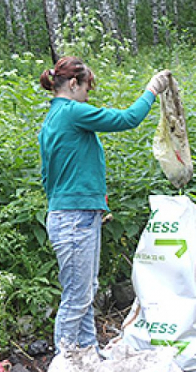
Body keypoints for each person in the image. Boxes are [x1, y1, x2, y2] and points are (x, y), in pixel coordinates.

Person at [38, 58, 171, 352]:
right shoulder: (72, 112)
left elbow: (49, 176)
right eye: (87, 88)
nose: (88, 96)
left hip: (72, 215)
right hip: (74, 218)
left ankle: (88, 356)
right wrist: (152, 90)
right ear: (73, 84)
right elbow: (127, 120)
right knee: (77, 297)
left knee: (86, 292)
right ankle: (64, 369)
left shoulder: (53, 117)